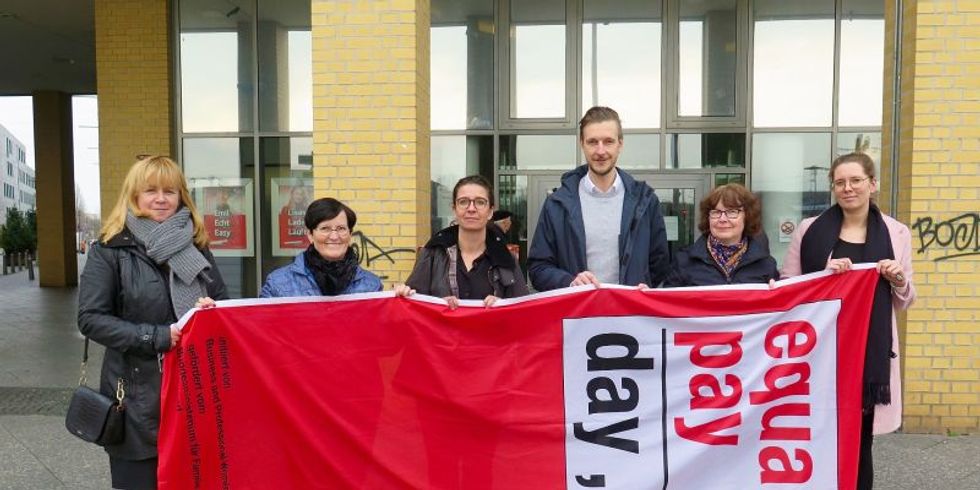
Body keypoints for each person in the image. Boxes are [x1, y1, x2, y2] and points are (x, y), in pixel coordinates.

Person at [78, 155, 227, 489]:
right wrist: (158, 337)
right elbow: (90, 319)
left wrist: (210, 311)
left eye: (170, 191)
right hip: (136, 401)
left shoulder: (197, 246)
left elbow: (222, 305)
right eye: (151, 191)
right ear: (134, 196)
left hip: (194, 396)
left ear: (181, 197)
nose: (161, 198)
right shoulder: (110, 249)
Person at [781, 152, 915, 490]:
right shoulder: (808, 231)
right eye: (839, 182)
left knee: (860, 444)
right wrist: (825, 276)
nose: (847, 188)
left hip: (867, 355)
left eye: (855, 180)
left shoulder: (896, 233)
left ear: (872, 184)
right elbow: (787, 292)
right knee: (817, 437)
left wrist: (898, 279)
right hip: (820, 353)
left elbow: (905, 299)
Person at [528, 106, 669, 290]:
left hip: (629, 314)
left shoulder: (645, 201)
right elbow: (538, 268)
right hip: (577, 314)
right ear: (582, 144)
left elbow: (661, 266)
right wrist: (569, 281)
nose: (600, 151)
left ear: (620, 144)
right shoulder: (556, 204)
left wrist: (648, 286)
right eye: (593, 142)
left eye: (608, 141)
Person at [396, 175, 529, 308]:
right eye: (463, 202)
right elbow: (413, 308)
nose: (471, 209)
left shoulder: (505, 258)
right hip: (442, 329)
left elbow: (522, 312)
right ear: (454, 209)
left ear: (490, 212)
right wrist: (406, 296)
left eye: (480, 202)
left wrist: (502, 306)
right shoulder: (432, 254)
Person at [261, 197, 382, 297]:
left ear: (350, 234)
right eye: (325, 228)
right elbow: (260, 324)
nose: (334, 236)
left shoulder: (371, 286)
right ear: (310, 235)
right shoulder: (278, 284)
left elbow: (385, 325)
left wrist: (400, 301)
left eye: (341, 229)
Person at [664, 183, 777, 286]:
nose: (722, 219)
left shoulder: (766, 264)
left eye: (732, 212)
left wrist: (776, 294)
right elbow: (666, 304)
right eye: (716, 212)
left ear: (747, 216)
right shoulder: (684, 261)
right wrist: (646, 296)